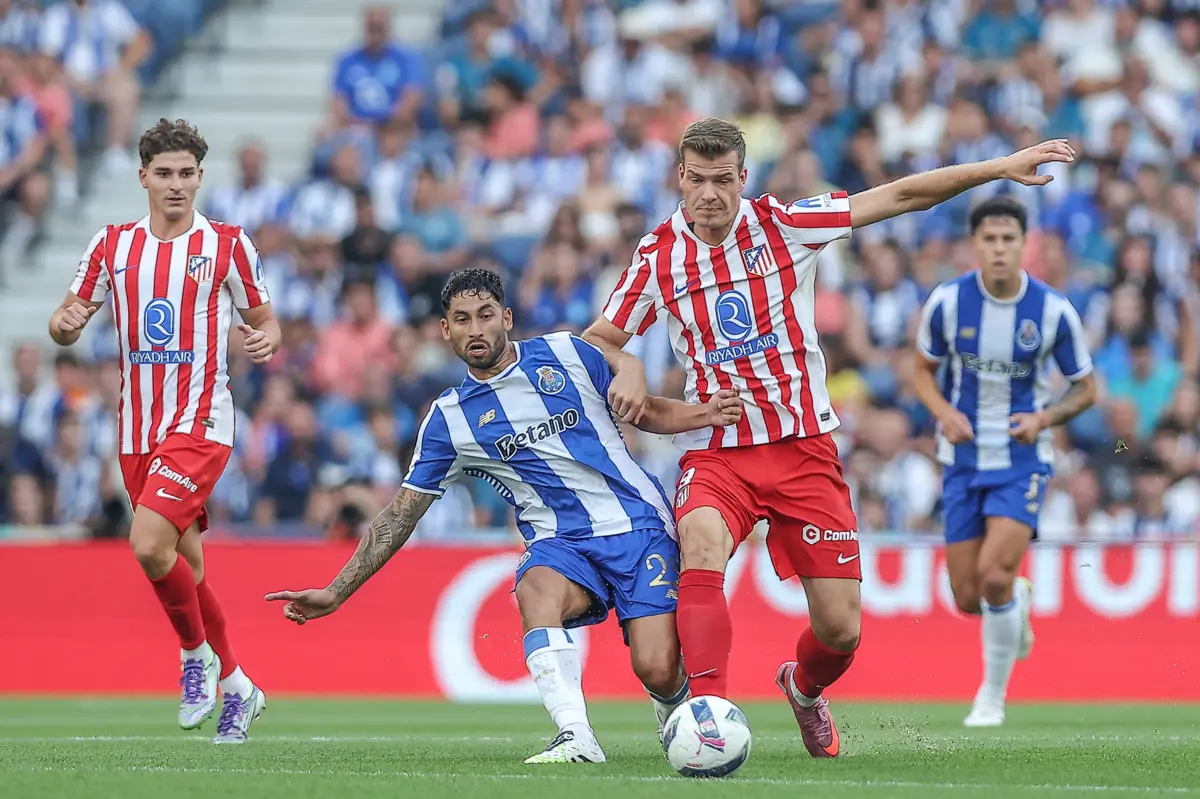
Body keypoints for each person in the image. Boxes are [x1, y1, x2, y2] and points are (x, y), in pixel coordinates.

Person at [582, 117, 1074, 758]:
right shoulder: (658, 256)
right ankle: (708, 717)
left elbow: (898, 196)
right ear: (679, 176)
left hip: (803, 448)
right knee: (700, 543)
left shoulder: (784, 225)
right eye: (696, 180)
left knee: (841, 631)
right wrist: (633, 364)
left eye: (722, 181)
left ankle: (804, 689)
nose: (709, 194)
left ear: (743, 179)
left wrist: (997, 166)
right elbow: (600, 340)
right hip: (717, 446)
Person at [265, 268, 743, 765]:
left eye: (486, 315)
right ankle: (577, 737)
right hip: (561, 545)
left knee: (657, 667)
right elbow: (398, 517)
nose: (476, 329)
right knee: (534, 587)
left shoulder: (566, 354)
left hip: (638, 528)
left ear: (507, 318)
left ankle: (678, 718)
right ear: (446, 331)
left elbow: (644, 412)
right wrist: (336, 590)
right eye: (462, 319)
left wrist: (703, 414)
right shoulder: (449, 419)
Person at [47, 118, 279, 744]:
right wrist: (66, 326)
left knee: (149, 545)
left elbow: (267, 319)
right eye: (165, 173)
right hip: (137, 431)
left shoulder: (229, 245)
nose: (176, 184)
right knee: (187, 568)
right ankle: (238, 685)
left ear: (201, 178)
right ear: (144, 177)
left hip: (201, 422)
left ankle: (194, 658)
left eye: (187, 174)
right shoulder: (113, 245)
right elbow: (65, 319)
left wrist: (264, 339)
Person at [913, 196, 1096, 727]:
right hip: (962, 460)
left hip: (1023, 460)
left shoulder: (1053, 310)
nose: (998, 249)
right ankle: (1014, 599)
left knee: (993, 574)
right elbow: (922, 370)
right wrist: (943, 411)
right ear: (974, 245)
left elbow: (1086, 388)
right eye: (989, 240)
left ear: (1023, 245)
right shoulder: (947, 303)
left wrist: (1045, 419)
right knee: (970, 597)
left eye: (1008, 239)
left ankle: (990, 699)